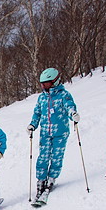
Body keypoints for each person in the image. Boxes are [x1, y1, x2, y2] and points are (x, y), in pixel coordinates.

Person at [27, 68, 79, 201]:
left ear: (55, 82)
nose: (43, 86)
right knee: (43, 157)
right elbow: (37, 112)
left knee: (57, 157)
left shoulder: (64, 95)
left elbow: (69, 106)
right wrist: (33, 124)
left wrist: (73, 114)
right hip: (45, 132)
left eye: (46, 83)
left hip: (60, 133)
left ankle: (51, 179)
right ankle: (41, 180)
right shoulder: (42, 97)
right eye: (42, 84)